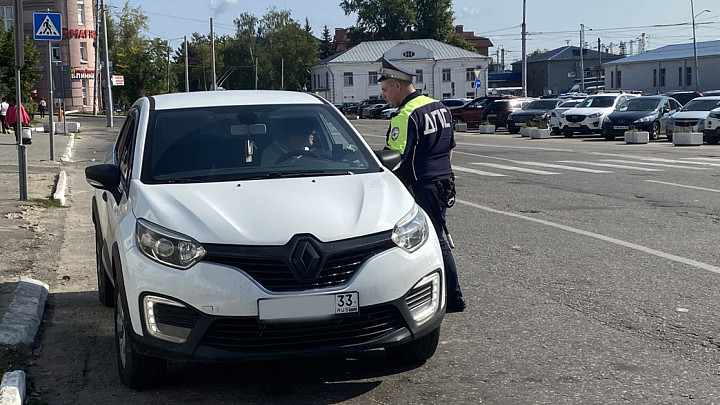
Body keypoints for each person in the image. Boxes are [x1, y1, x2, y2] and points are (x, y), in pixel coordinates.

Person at [379, 57, 465, 313]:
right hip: (443, 182)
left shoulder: (405, 115)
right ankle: (450, 297)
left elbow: (393, 158)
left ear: (397, 85)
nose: (383, 96)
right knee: (439, 238)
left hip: (420, 187)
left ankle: (451, 298)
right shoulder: (439, 107)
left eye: (384, 90)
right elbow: (449, 149)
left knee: (431, 242)